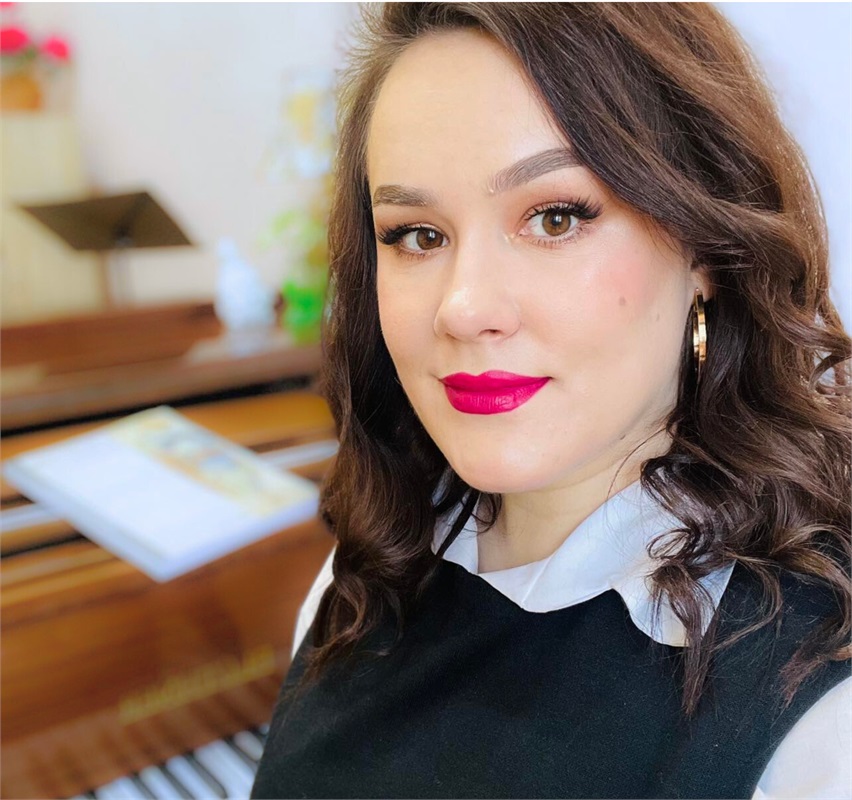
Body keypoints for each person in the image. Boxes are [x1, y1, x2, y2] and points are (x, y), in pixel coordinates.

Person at [252, 4, 851, 798]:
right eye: (417, 235)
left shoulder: (819, 710)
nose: (464, 308)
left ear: (704, 247)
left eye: (555, 218)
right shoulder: (365, 571)